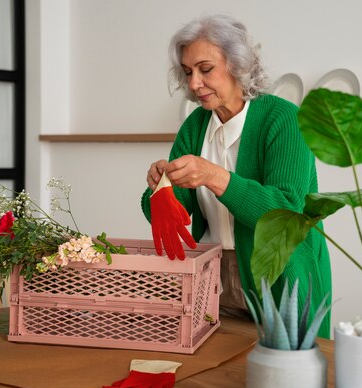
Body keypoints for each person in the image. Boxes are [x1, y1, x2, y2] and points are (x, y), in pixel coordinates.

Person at [140, 14, 331, 337]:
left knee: (282, 380)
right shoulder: (195, 125)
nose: (193, 84)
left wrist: (214, 176)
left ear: (237, 64)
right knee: (215, 379)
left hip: (282, 277)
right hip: (214, 279)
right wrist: (161, 187)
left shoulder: (284, 119)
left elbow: (285, 210)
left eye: (205, 69)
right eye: (187, 72)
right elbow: (172, 217)